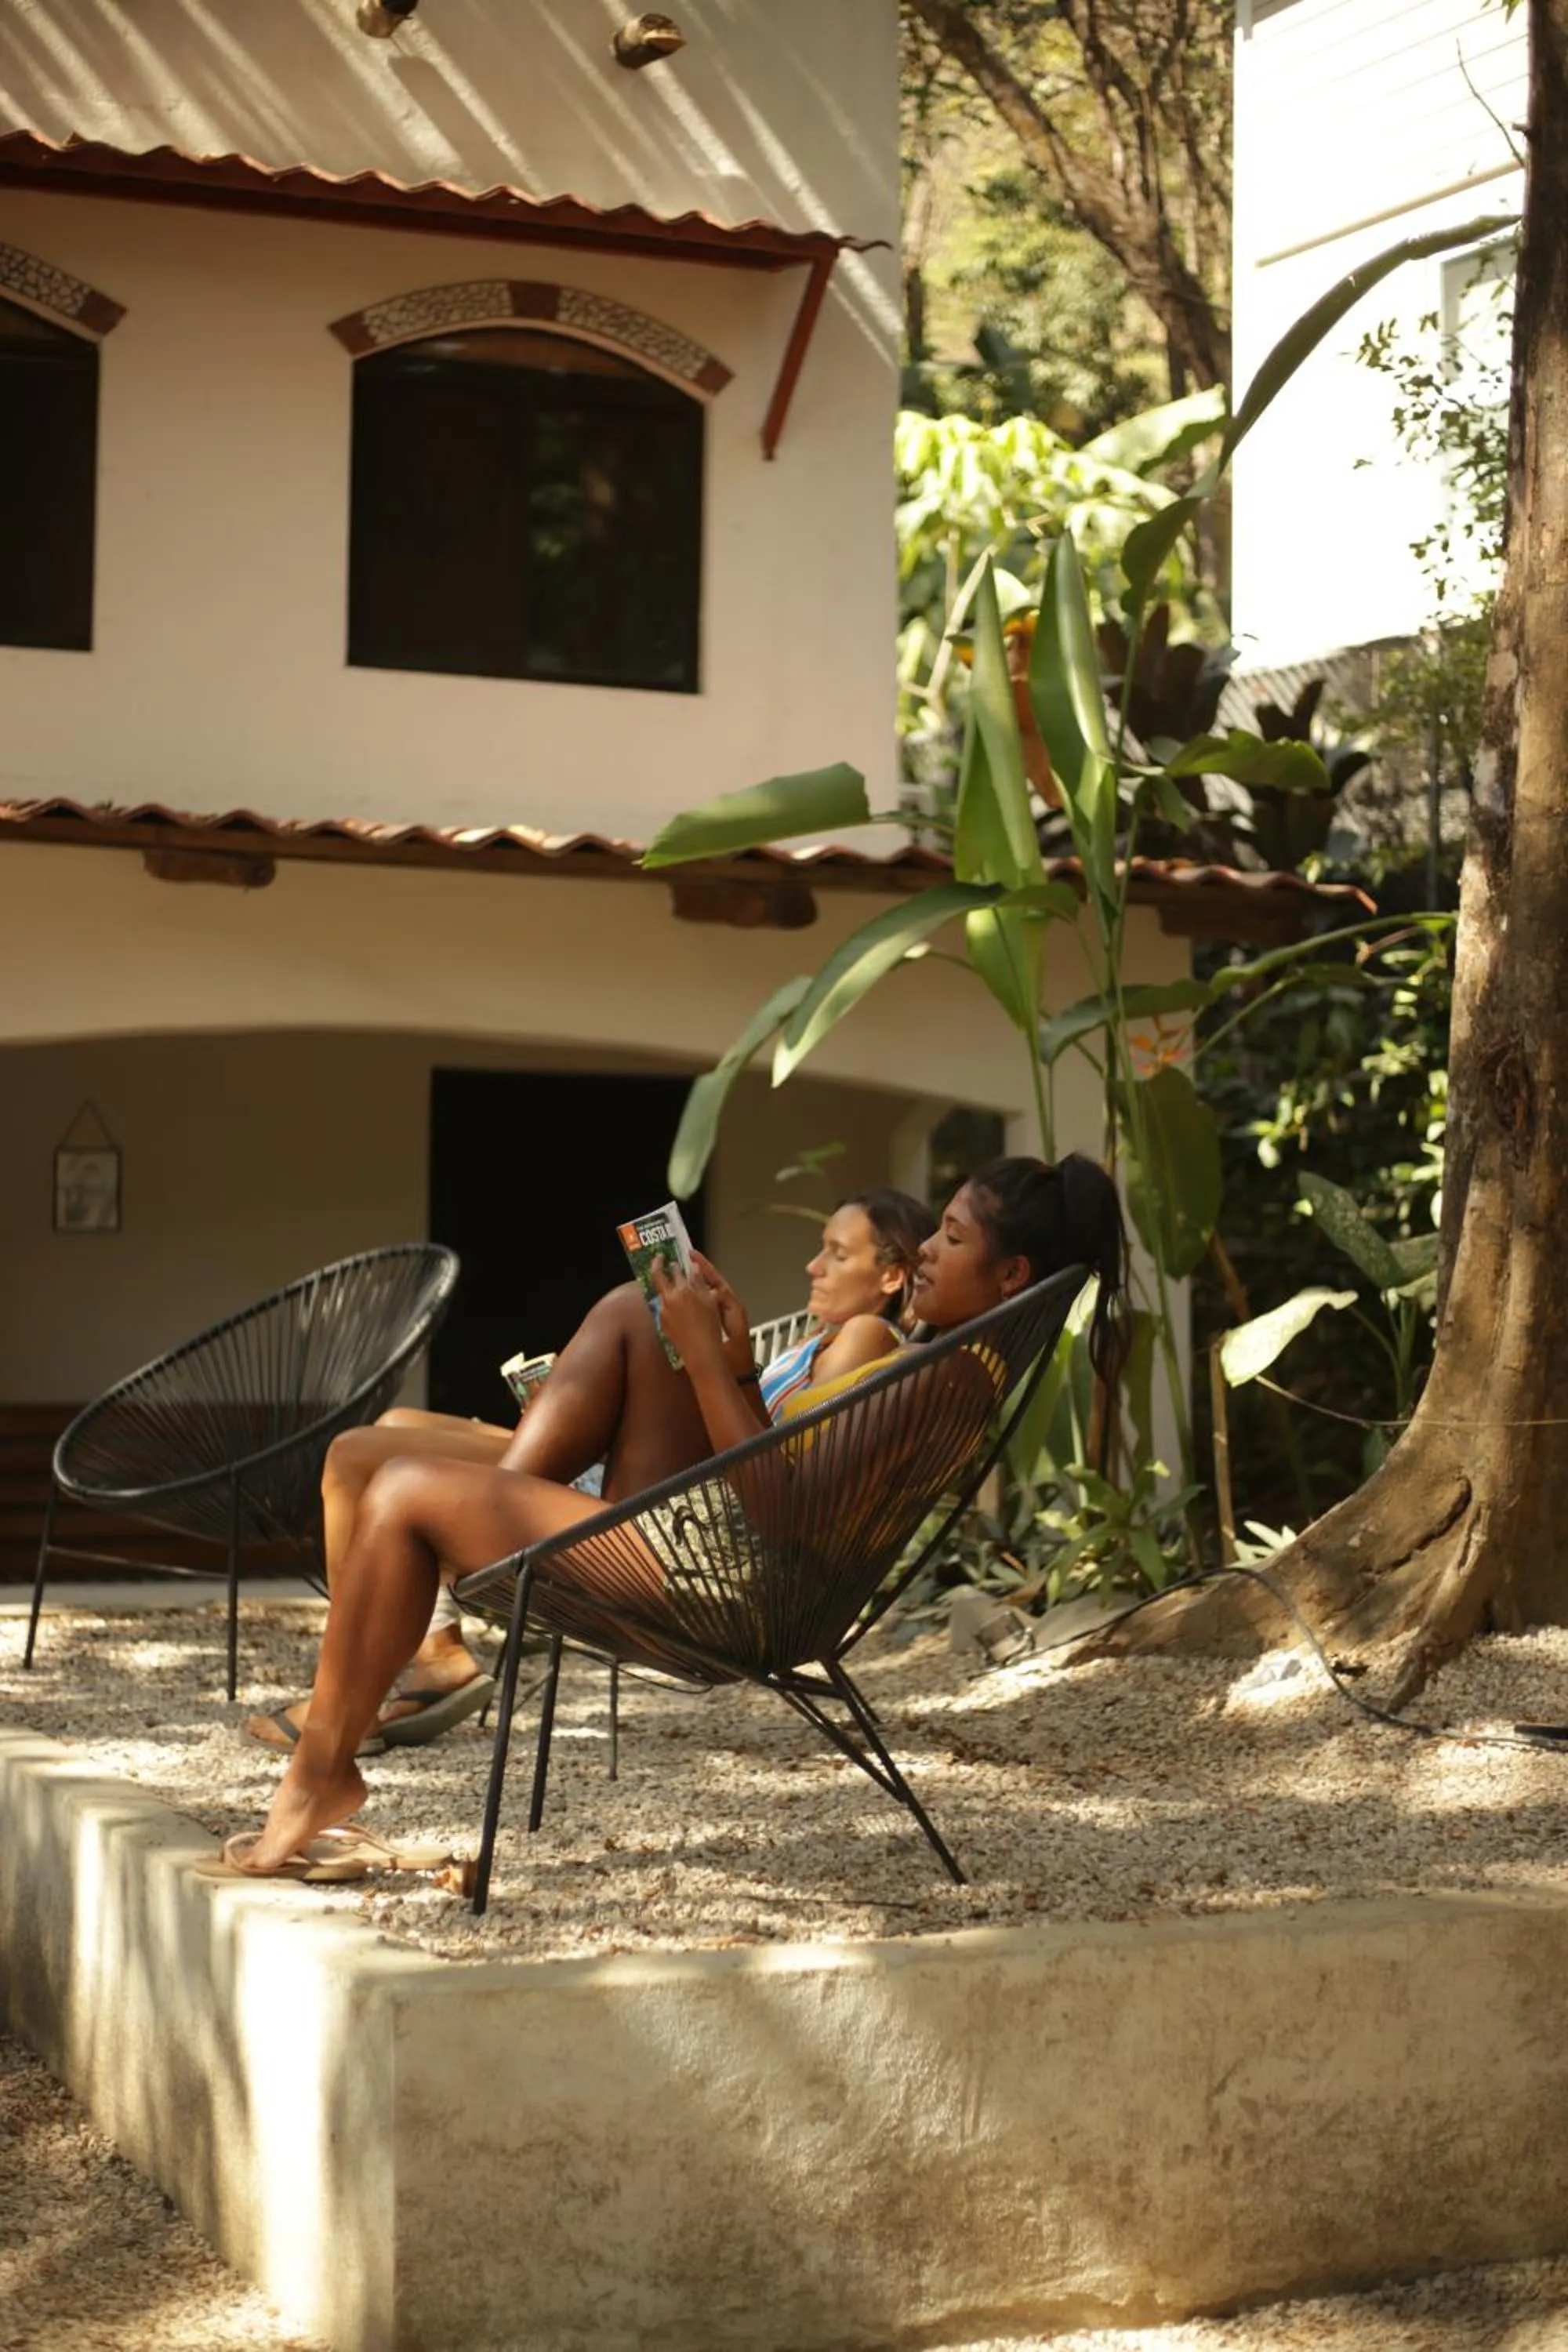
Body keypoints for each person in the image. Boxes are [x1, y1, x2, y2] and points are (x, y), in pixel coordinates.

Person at [223, 1153, 1127, 1878]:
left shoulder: (943, 1379)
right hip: (708, 1537)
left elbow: (775, 1511)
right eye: (935, 1228)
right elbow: (777, 1471)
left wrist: (708, 1362)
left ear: (1010, 1273)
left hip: (731, 1582)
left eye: (952, 1238)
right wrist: (724, 1362)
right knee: (634, 1306)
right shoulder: (943, 1363)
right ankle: (480, 1546)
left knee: (399, 1491)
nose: (925, 1248)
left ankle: (322, 1771)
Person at [243, 1191, 936, 1755]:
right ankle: (436, 1652)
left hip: (686, 1513)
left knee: (367, 1458)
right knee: (381, 1440)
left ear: (892, 1276)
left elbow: (775, 1466)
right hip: (654, 1482)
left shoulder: (868, 1340)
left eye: (837, 1253)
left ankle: (429, 1613)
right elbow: (762, 1434)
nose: (814, 1265)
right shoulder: (815, 1346)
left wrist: (707, 1364)